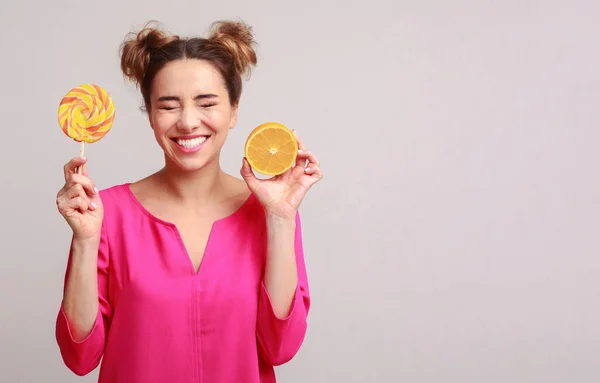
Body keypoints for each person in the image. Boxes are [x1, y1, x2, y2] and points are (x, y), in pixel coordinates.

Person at [54, 19, 322, 383]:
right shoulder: (105, 213)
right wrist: (85, 241)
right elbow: (80, 357)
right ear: (150, 115)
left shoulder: (270, 211)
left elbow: (281, 348)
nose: (188, 121)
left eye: (207, 103)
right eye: (168, 106)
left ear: (234, 111)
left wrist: (280, 219)